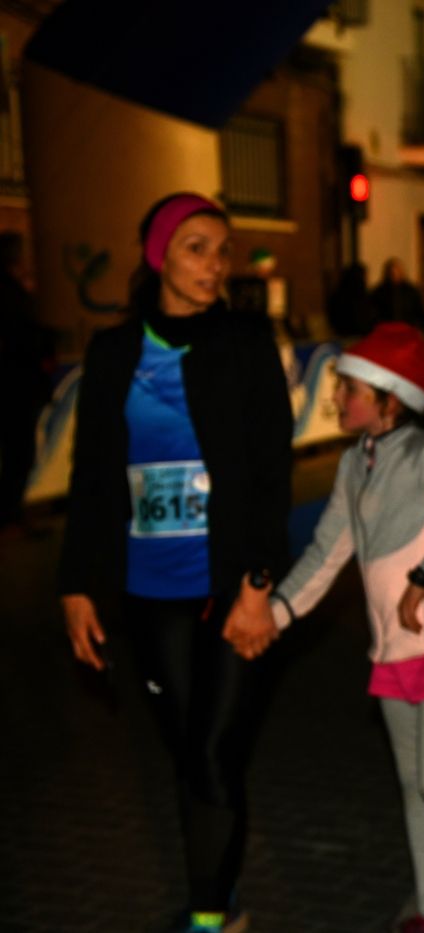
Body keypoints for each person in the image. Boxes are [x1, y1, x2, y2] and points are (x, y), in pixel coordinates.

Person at [222, 322, 424, 933]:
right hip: (392, 650)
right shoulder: (356, 463)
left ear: (387, 396)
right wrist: (269, 617)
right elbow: (327, 553)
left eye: (348, 388)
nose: (337, 400)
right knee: (413, 787)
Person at [59, 193, 292, 933]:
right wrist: (75, 583)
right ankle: (211, 900)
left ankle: (208, 917)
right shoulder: (114, 352)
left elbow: (269, 473)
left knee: (216, 751)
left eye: (222, 249)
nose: (214, 263)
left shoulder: (246, 341)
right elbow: (92, 475)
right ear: (158, 254)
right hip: (148, 590)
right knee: (190, 752)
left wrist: (258, 584)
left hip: (230, 587)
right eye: (197, 246)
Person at [0, 231, 51, 534]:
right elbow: (23, 337)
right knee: (19, 452)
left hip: (14, 384)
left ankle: (10, 514)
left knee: (16, 452)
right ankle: (10, 516)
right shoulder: (11, 294)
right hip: (15, 386)